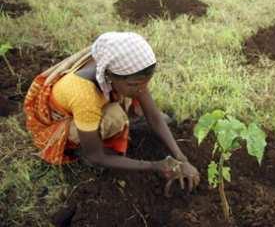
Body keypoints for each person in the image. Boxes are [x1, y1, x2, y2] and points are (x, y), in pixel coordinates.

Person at [24, 32, 200, 196]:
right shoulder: (85, 96)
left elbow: (153, 116)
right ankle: (79, 150)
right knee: (115, 118)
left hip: (93, 105)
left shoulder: (119, 66)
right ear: (109, 75)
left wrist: (181, 157)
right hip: (65, 121)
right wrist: (155, 166)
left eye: (145, 84)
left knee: (150, 116)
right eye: (135, 85)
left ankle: (127, 126)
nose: (141, 90)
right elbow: (96, 156)